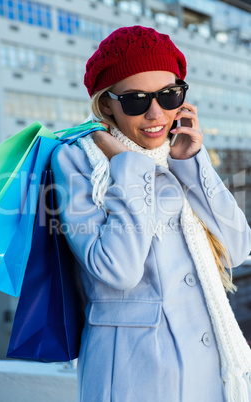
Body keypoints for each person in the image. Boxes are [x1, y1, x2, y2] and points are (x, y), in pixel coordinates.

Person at [51, 26, 251, 402]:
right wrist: (130, 167)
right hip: (135, 375)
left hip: (210, 374)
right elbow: (118, 269)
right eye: (136, 100)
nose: (156, 113)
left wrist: (194, 163)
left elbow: (238, 247)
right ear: (106, 103)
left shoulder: (177, 155)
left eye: (169, 95)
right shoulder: (79, 160)